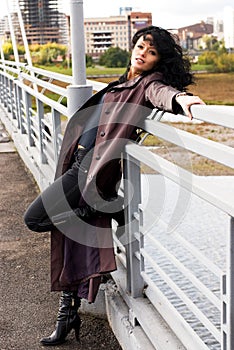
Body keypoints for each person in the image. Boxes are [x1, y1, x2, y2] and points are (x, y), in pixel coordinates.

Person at [24, 25, 205, 346]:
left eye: (151, 52)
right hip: (77, 165)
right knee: (70, 238)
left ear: (157, 62)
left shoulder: (148, 83)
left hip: (89, 172)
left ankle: (100, 208)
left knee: (34, 219)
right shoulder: (122, 82)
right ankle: (67, 315)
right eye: (140, 46)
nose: (142, 53)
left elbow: (160, 93)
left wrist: (182, 99)